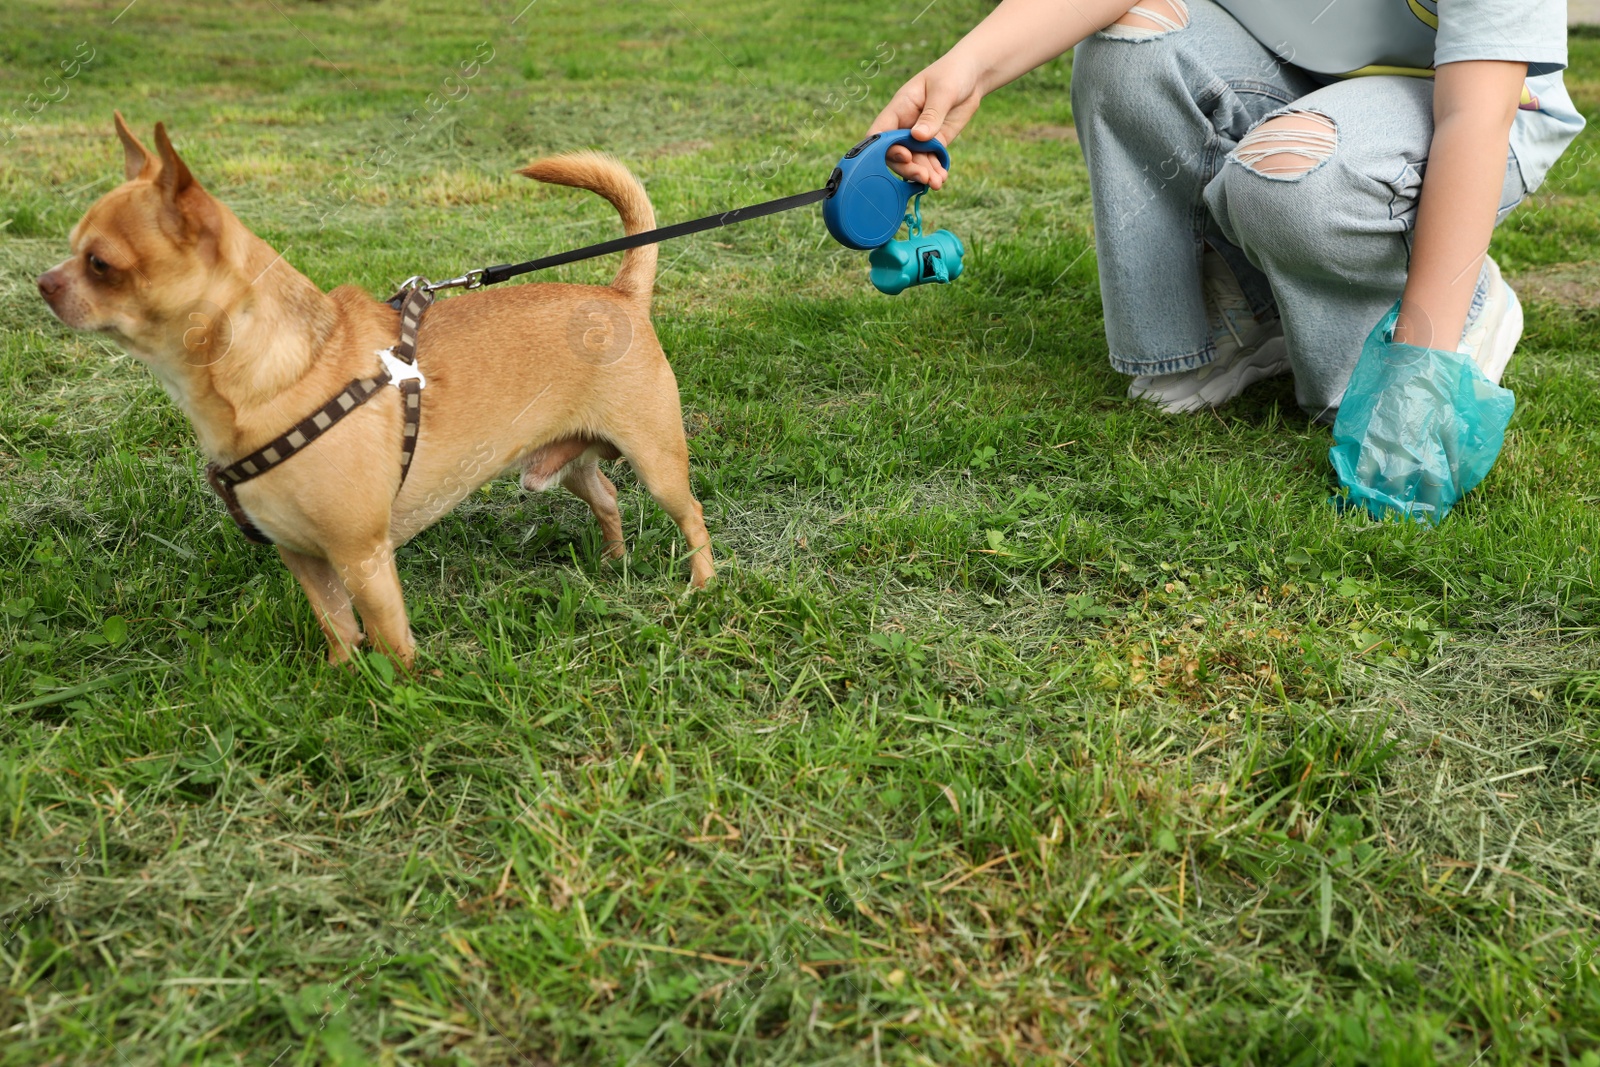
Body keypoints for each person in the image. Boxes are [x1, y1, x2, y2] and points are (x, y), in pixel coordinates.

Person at [868, 0, 1583, 420]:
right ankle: (1245, 318)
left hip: (1466, 107)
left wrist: (1423, 363)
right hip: (1292, 73)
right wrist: (966, 69)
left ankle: (1451, 303)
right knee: (1131, 43)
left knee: (1287, 174)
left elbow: (1473, 119)